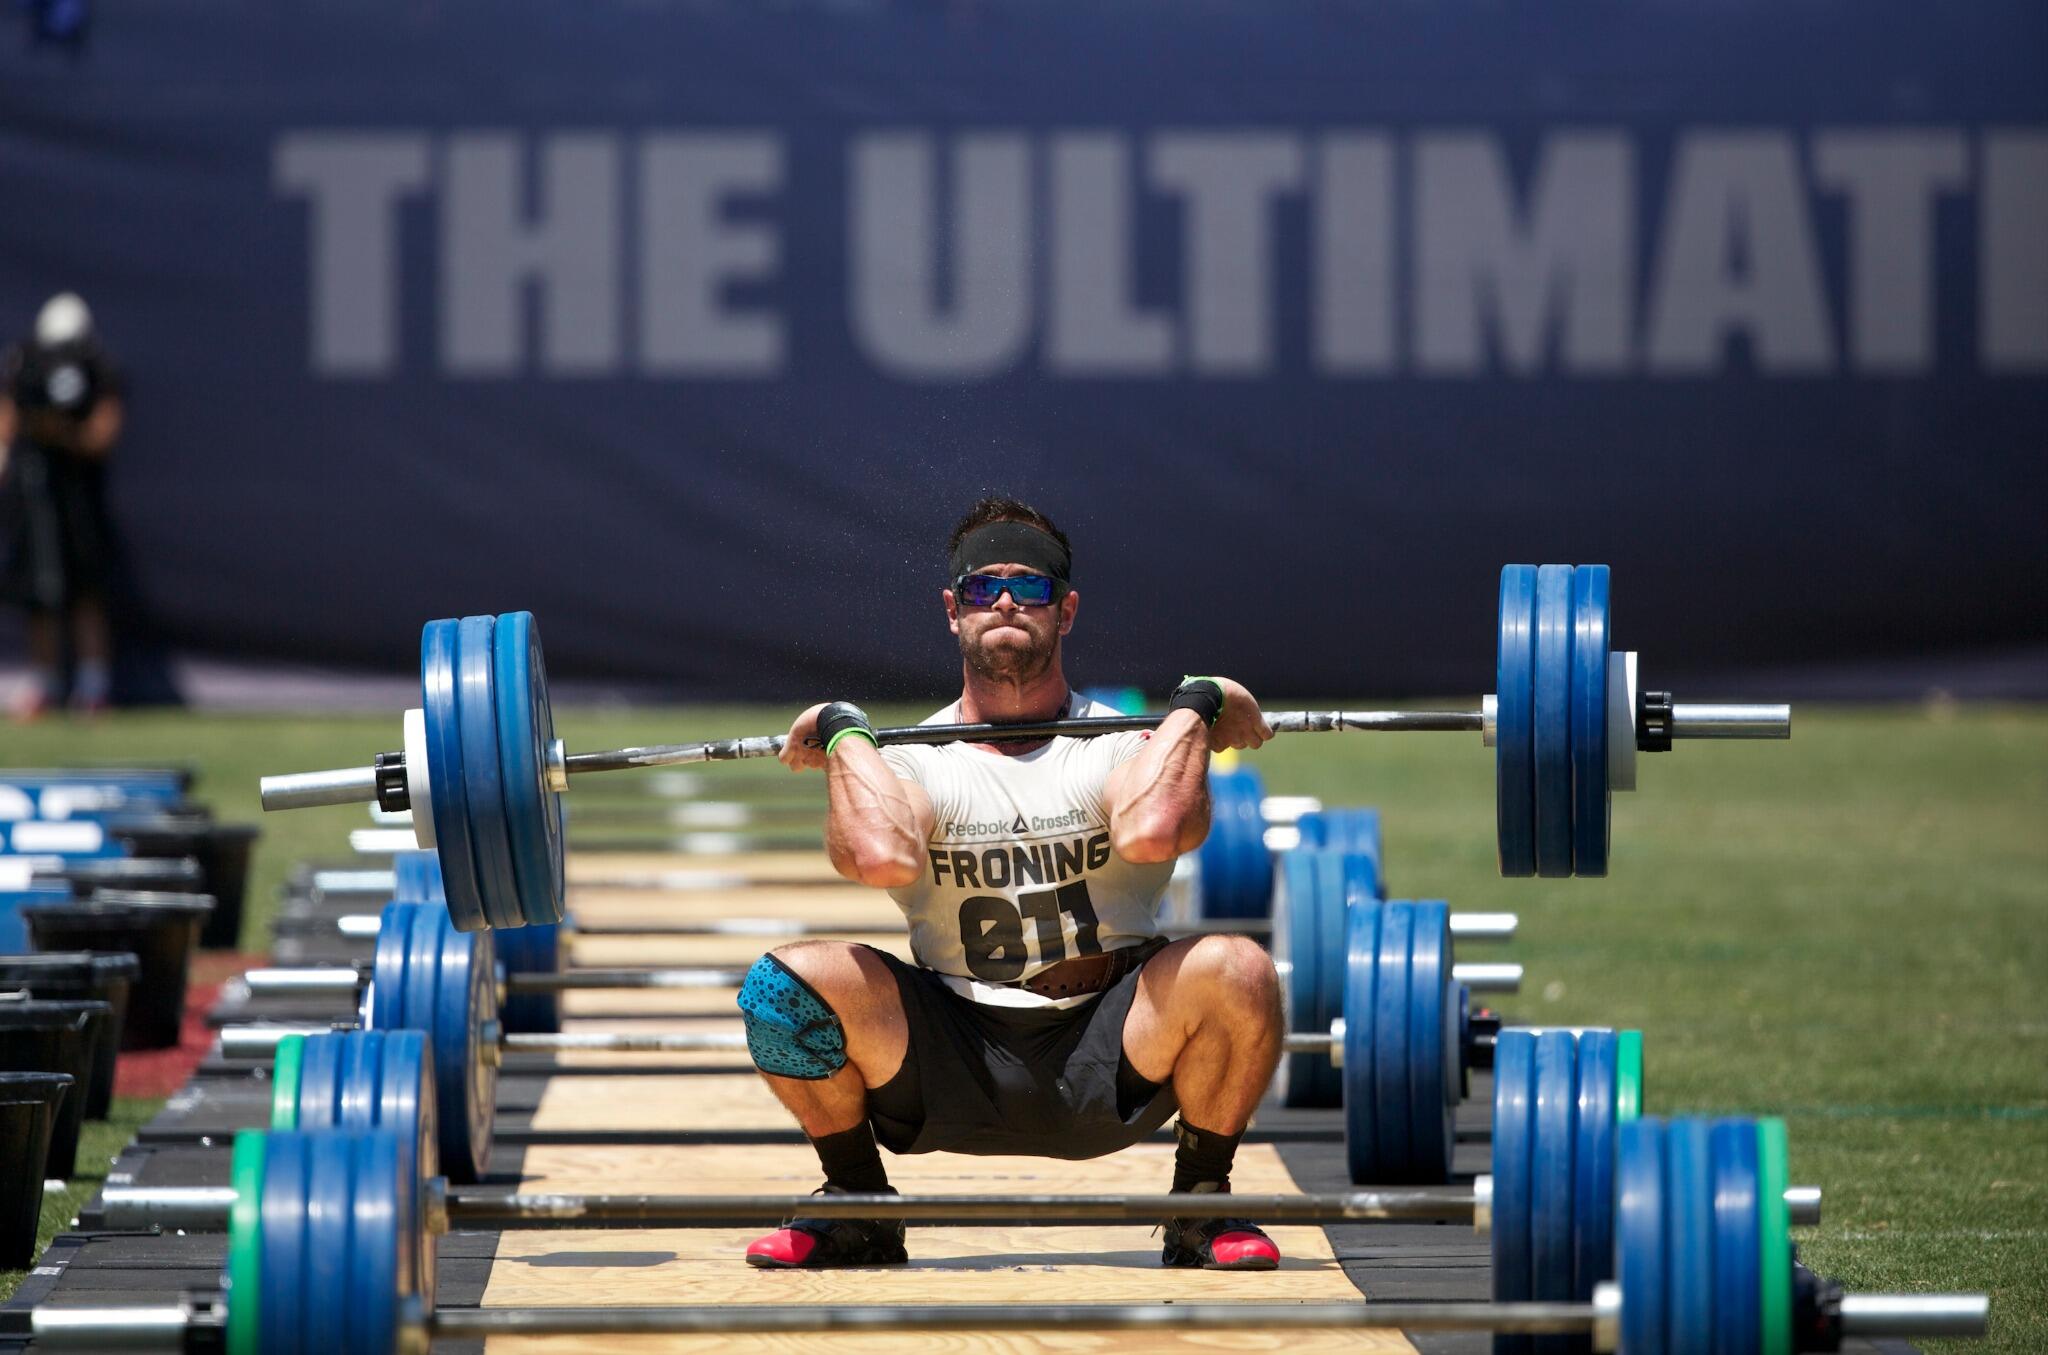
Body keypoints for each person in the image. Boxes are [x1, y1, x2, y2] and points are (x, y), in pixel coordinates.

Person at [740, 496, 1283, 1271]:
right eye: (979, 587)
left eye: (1028, 588)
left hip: (1112, 1044)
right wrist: (844, 727)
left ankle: (1202, 1206)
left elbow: (1155, 829)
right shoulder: (915, 758)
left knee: (1239, 967)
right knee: (784, 985)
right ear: (951, 611)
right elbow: (880, 854)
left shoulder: (1117, 744)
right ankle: (857, 1204)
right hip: (949, 1051)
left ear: (1065, 611)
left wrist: (1197, 704)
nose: (1002, 600)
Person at [0, 293, 124, 719]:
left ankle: (94, 685)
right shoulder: (23, 366)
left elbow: (102, 433)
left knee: (87, 587)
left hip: (79, 497)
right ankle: (45, 682)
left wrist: (65, 433)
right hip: (34, 496)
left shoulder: (98, 370)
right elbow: (8, 423)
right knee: (40, 590)